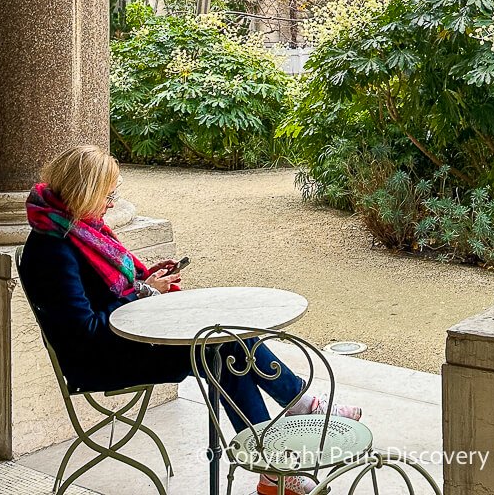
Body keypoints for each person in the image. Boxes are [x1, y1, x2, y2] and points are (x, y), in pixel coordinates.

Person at [18, 145, 360, 495]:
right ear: (83, 194)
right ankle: (283, 443)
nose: (111, 203)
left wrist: (145, 284)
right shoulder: (53, 249)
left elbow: (108, 291)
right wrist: (143, 294)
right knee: (219, 348)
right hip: (100, 359)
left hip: (127, 340)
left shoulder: (76, 227)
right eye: (108, 194)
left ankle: (283, 443)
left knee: (225, 341)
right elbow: (83, 333)